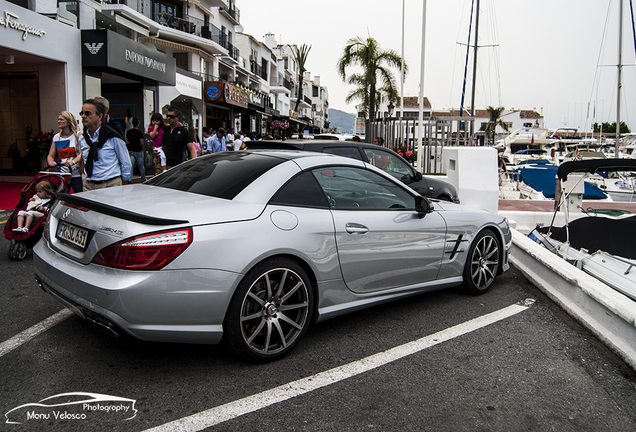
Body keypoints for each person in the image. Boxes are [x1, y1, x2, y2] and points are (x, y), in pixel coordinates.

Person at [79, 98, 132, 190]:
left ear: (100, 116)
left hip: (110, 184)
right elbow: (84, 160)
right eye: (82, 113)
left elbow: (125, 161)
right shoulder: (82, 138)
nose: (83, 116)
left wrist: (123, 180)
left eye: (87, 113)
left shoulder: (113, 136)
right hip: (89, 185)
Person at [47, 111, 83, 193]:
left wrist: (72, 162)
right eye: (58, 119)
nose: (58, 121)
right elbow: (50, 155)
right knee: (61, 197)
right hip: (62, 173)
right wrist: (51, 162)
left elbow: (82, 154)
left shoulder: (77, 135)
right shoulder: (57, 137)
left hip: (76, 173)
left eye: (61, 119)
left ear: (69, 122)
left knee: (79, 195)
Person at [126, 118, 146, 182]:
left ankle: (129, 179)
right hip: (138, 150)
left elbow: (127, 140)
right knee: (141, 166)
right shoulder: (139, 133)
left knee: (131, 165)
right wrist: (142, 148)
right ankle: (143, 178)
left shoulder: (129, 132)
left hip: (131, 150)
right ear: (138, 124)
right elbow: (141, 142)